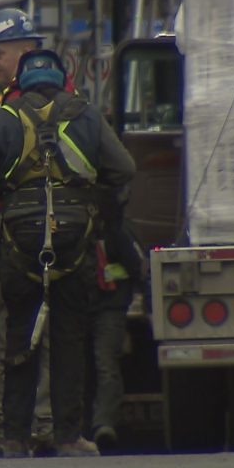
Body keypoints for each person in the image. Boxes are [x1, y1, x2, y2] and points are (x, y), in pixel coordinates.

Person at [0, 49, 135, 458]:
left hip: (19, 247)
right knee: (68, 340)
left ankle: (14, 438)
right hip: (72, 246)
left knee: (19, 341)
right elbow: (125, 169)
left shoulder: (7, 118)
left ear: (22, 81)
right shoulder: (86, 114)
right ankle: (67, 436)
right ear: (63, 78)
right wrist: (91, 193)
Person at [0, 6, 55, 453]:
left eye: (0, 53)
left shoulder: (15, 109)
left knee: (12, 333)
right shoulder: (62, 98)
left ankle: (5, 424)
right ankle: (41, 423)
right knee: (43, 333)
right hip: (53, 236)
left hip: (19, 239)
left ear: (27, 52)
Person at [83, 190, 145, 451]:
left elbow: (136, 267)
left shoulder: (120, 232)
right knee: (83, 368)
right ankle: (83, 426)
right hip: (82, 307)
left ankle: (102, 424)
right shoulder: (76, 233)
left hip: (109, 307)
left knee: (104, 364)